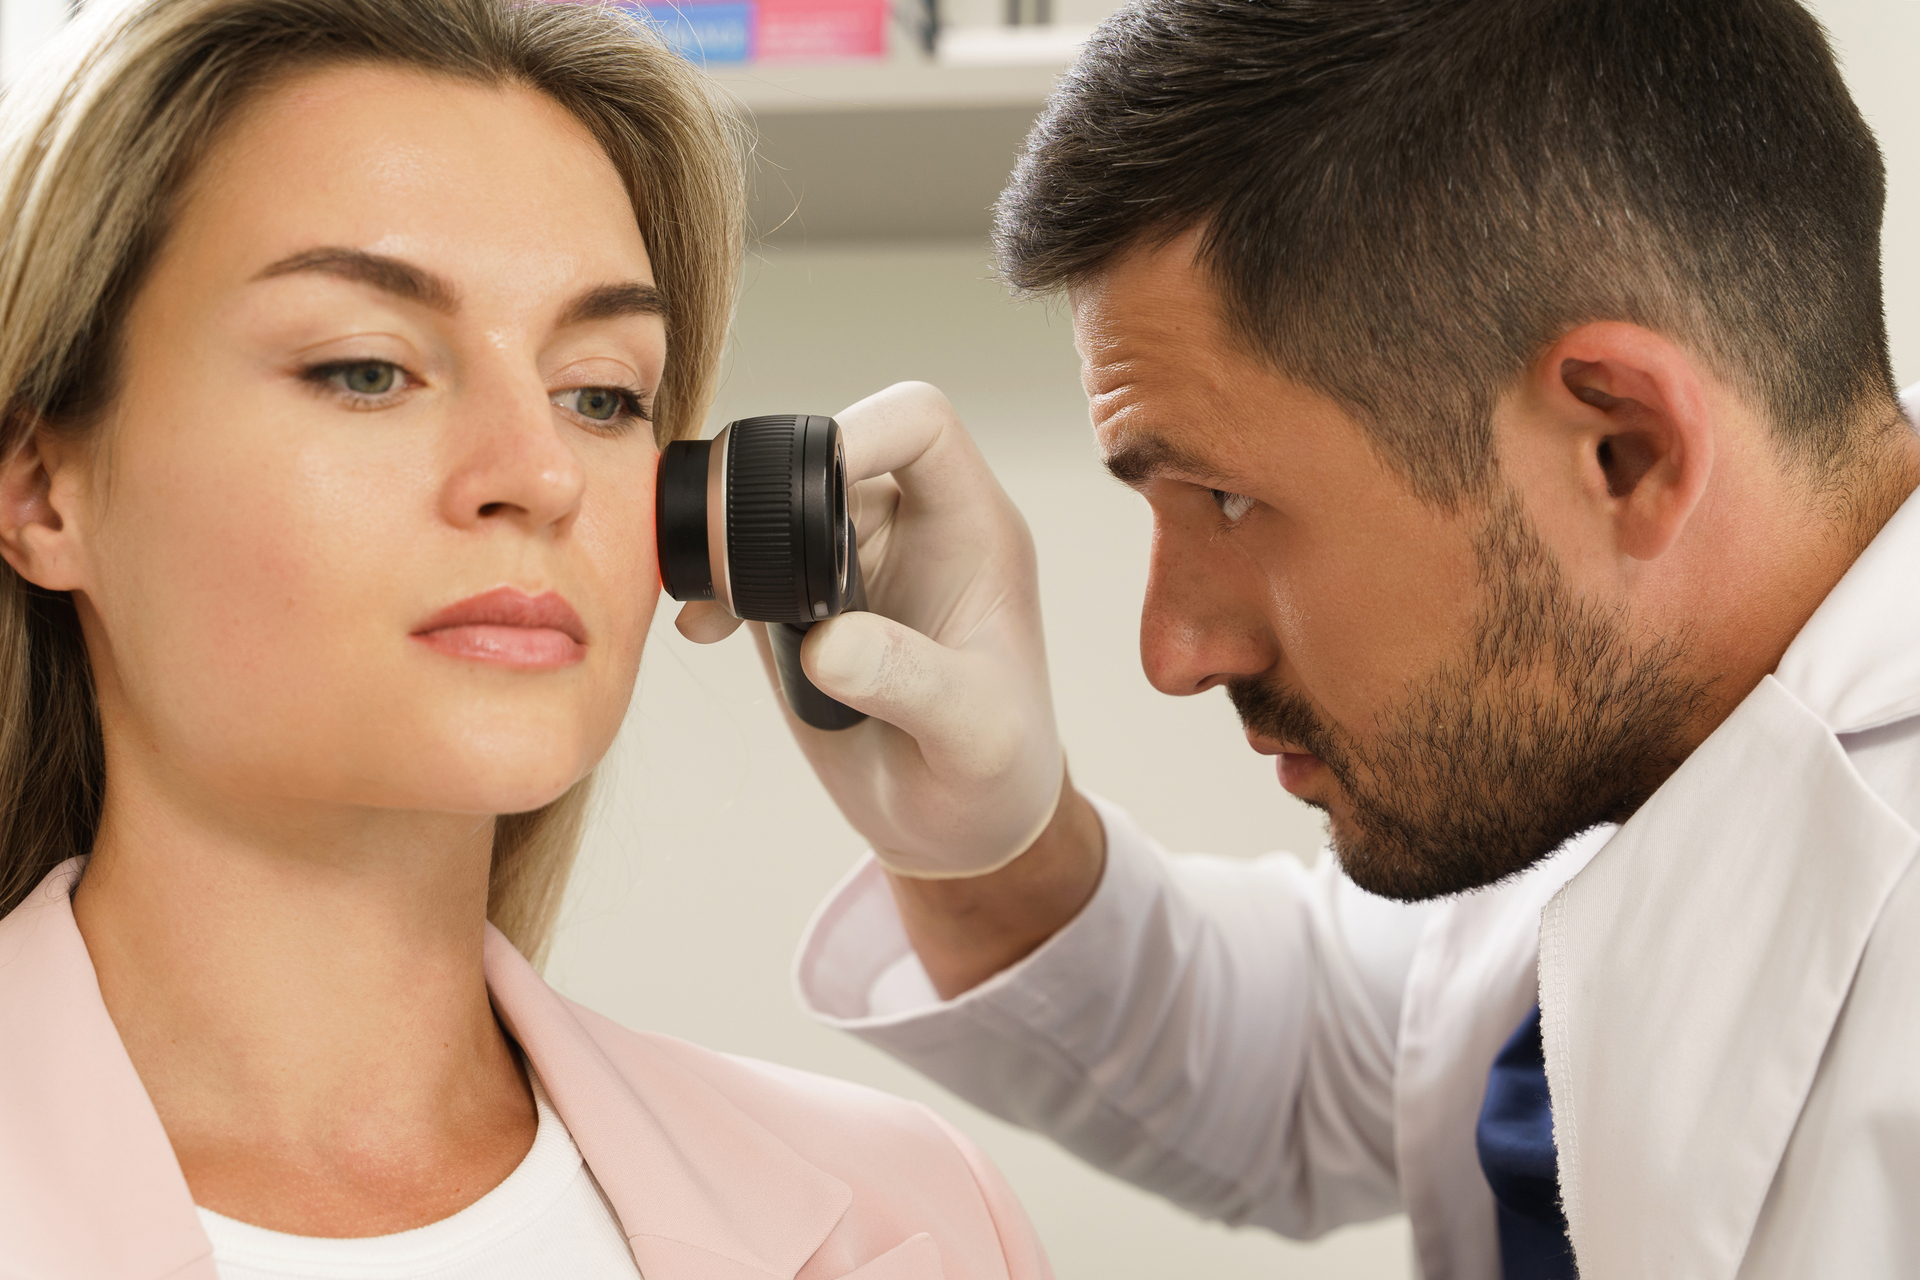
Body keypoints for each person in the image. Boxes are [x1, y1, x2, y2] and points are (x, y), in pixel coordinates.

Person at [676, 0, 1920, 1276]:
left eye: (1227, 498)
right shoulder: (1610, 728)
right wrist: (982, 840)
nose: (1173, 652)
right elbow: (1311, 1057)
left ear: (1625, 449)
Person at [0, 2, 1049, 1278]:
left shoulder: (915, 1208)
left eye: (600, 394)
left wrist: (1002, 857)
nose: (541, 473)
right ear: (42, 493)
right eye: (366, 369)